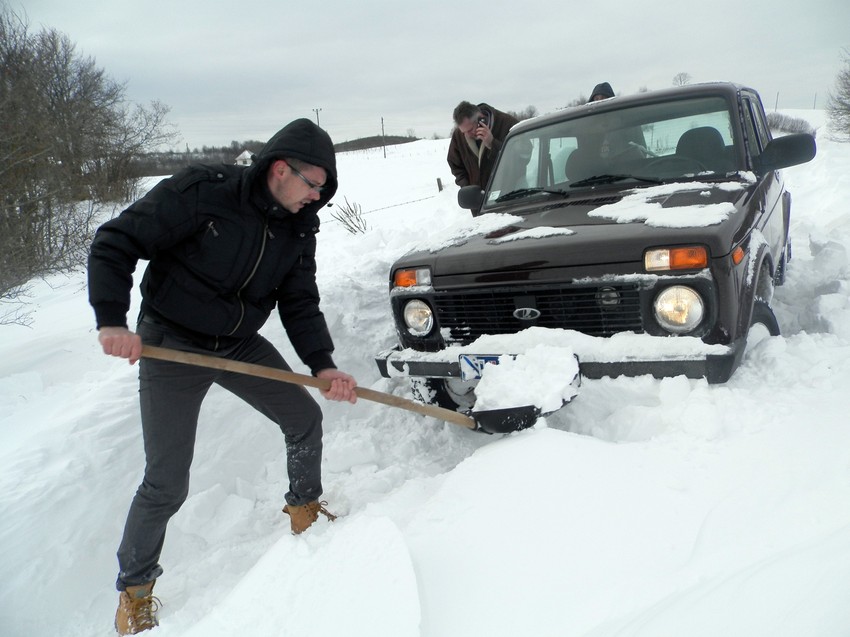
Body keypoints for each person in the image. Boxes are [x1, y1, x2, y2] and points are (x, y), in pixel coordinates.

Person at [87, 118, 358, 635]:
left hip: (237, 343)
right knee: (166, 482)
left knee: (303, 419)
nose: (317, 198)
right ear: (281, 169)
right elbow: (116, 241)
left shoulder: (300, 225)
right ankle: (134, 591)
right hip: (172, 342)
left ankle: (304, 510)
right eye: (314, 185)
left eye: (324, 191)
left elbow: (299, 300)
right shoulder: (202, 192)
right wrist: (111, 320)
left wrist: (322, 364)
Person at [447, 101, 519, 188]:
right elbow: (455, 165)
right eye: (464, 132)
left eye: (470, 130)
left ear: (481, 119)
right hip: (477, 195)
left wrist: (493, 144)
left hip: (510, 191)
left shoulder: (508, 124)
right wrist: (467, 187)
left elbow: (523, 156)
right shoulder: (458, 135)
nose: (467, 135)